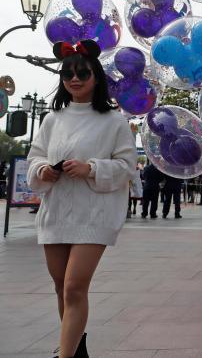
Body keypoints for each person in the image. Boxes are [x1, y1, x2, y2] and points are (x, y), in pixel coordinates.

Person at [27, 40, 137, 358]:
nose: (75, 79)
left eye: (82, 73)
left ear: (96, 76)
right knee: (61, 286)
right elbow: (35, 159)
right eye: (68, 73)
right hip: (57, 211)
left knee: (75, 286)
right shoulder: (52, 120)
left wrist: (91, 168)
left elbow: (127, 167)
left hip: (95, 214)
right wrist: (44, 170)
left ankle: (65, 354)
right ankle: (75, 348)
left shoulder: (114, 121)